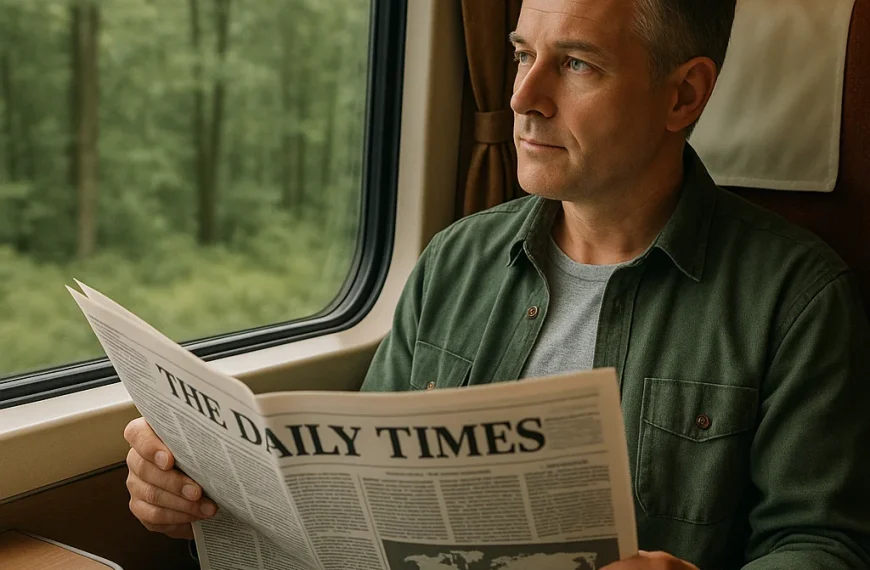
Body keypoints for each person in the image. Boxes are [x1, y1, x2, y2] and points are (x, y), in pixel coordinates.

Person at [122, 0, 870, 568]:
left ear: (683, 97)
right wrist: (200, 494)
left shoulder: (798, 299)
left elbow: (824, 543)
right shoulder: (455, 261)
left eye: (576, 64)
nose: (522, 98)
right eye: (521, 54)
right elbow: (362, 496)